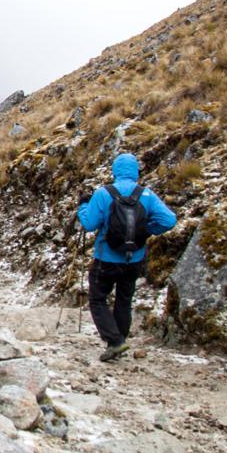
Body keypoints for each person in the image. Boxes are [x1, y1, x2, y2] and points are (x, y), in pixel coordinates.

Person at [76, 153, 177, 362]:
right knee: (124, 300)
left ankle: (115, 342)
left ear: (114, 171)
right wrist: (147, 230)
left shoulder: (104, 194)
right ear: (136, 173)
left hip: (105, 258)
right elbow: (169, 220)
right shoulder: (146, 195)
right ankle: (119, 340)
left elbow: (89, 224)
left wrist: (83, 206)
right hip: (134, 260)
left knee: (97, 299)